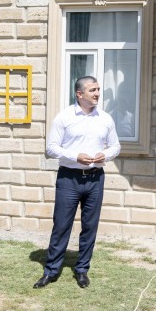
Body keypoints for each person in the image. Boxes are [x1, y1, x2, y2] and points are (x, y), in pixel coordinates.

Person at [34, 76, 121, 289]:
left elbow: (115, 146)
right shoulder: (64, 117)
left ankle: (82, 270)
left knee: (90, 226)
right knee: (62, 225)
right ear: (79, 94)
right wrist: (75, 156)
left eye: (98, 89)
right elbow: (51, 148)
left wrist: (105, 156)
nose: (97, 93)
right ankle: (51, 271)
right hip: (69, 178)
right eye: (92, 90)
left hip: (95, 179)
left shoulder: (106, 118)